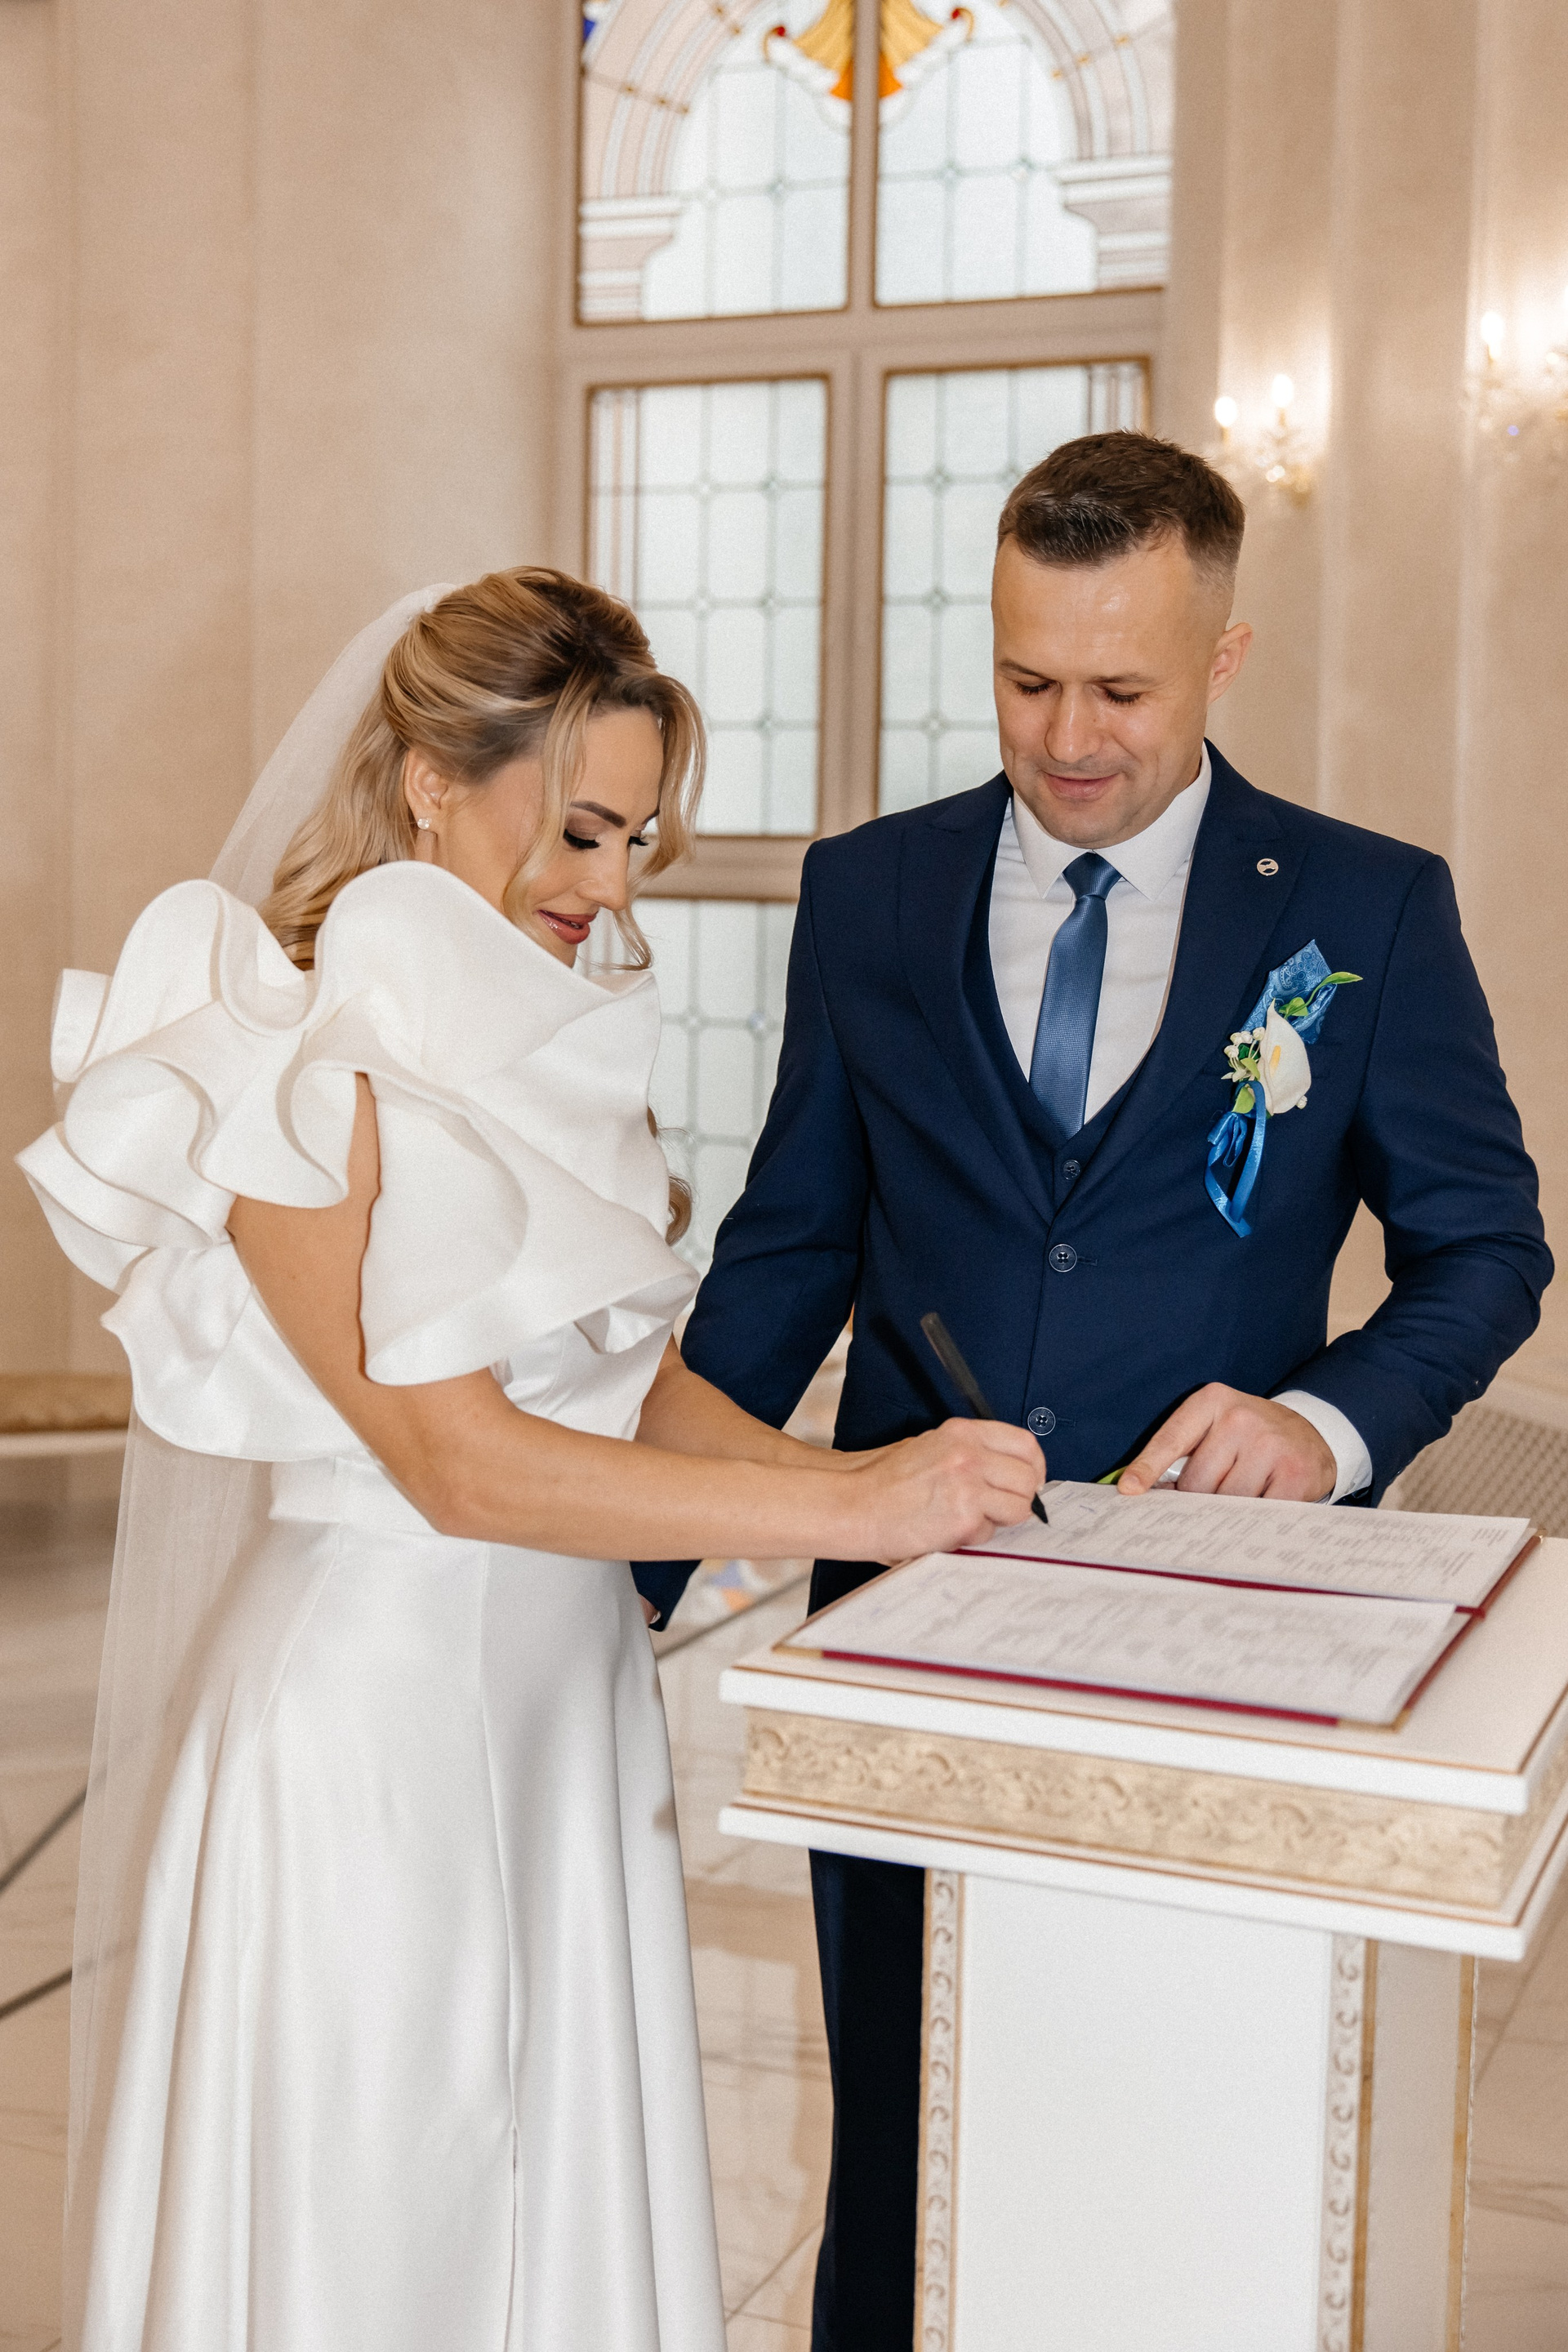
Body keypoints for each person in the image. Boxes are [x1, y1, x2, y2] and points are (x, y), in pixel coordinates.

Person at [18, 568, 1045, 2352]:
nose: (612, 887)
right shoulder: (289, 1056)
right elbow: (457, 1464)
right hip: (374, 1723)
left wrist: (880, 1490)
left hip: (565, 1704)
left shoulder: (543, 1041)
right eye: (579, 831)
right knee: (383, 2211)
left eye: (636, 840)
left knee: (544, 2196)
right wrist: (858, 1502)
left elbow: (631, 1393)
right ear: (431, 777)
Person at [641, 432, 1553, 2350]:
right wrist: (626, 1569)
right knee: (904, 2142)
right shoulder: (873, 893)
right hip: (903, 1621)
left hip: (1229, 1633)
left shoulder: (1366, 909)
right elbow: (790, 1249)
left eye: (1122, 690)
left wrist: (1321, 1424)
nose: (1068, 738)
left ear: (1223, 658)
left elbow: (1485, 1251)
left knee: (1171, 2128)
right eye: (1026, 679)